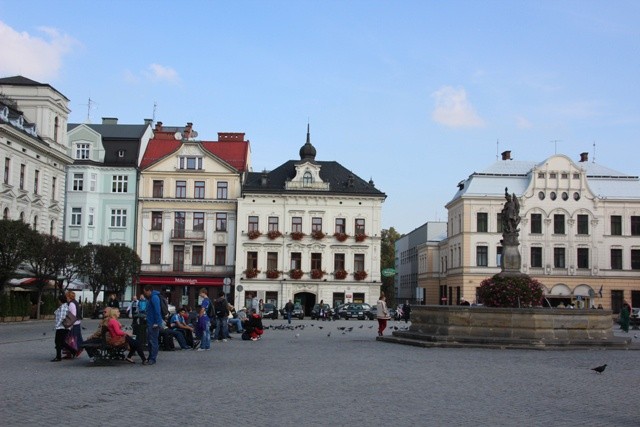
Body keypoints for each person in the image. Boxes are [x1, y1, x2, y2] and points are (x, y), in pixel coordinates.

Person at [52, 295, 76, 362]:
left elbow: (61, 318)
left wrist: (56, 326)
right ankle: (73, 351)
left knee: (58, 342)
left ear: (60, 300)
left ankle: (58, 357)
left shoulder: (63, 307)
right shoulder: (64, 306)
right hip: (63, 327)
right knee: (62, 342)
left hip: (61, 327)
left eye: (58, 300)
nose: (58, 301)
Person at [143, 285, 162, 365]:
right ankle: (150, 356)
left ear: (149, 291)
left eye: (145, 292)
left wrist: (157, 322)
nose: (144, 294)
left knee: (153, 341)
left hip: (153, 323)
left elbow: (157, 310)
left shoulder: (154, 298)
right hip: (150, 322)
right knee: (150, 341)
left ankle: (152, 358)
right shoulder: (152, 298)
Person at [65, 291, 83, 358]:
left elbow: (73, 315)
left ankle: (73, 351)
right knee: (76, 338)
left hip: (73, 323)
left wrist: (69, 324)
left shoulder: (71, 303)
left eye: (66, 296)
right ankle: (74, 351)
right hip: (76, 323)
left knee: (71, 338)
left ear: (68, 297)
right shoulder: (75, 302)